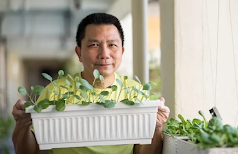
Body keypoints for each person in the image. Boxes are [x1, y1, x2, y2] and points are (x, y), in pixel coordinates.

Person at [11, 13, 170, 154]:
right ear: (79, 53)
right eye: (94, 45)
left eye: (112, 45)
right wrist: (22, 125)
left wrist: (155, 127)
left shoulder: (135, 92)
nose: (104, 54)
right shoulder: (56, 90)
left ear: (121, 52)